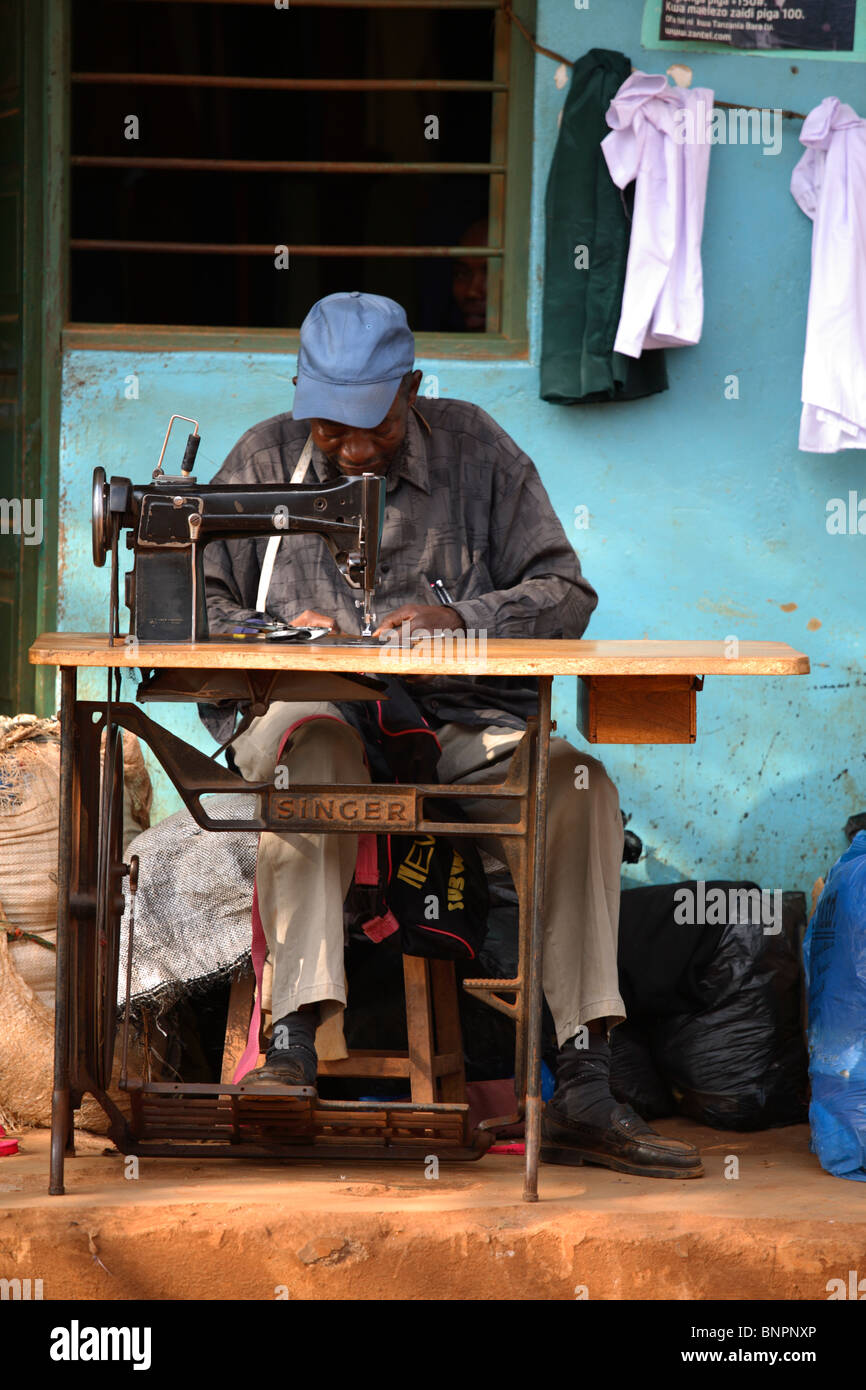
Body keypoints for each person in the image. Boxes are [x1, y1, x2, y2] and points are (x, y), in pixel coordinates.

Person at [202, 291, 703, 1178]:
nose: (353, 451)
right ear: (300, 398)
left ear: (414, 390)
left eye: (375, 429)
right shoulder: (263, 459)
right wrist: (275, 639)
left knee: (578, 788)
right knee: (308, 751)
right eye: (331, 431)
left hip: (463, 720)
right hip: (314, 720)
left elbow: (566, 592)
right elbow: (195, 608)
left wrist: (462, 618)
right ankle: (292, 1046)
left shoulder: (478, 451)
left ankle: (585, 1077)